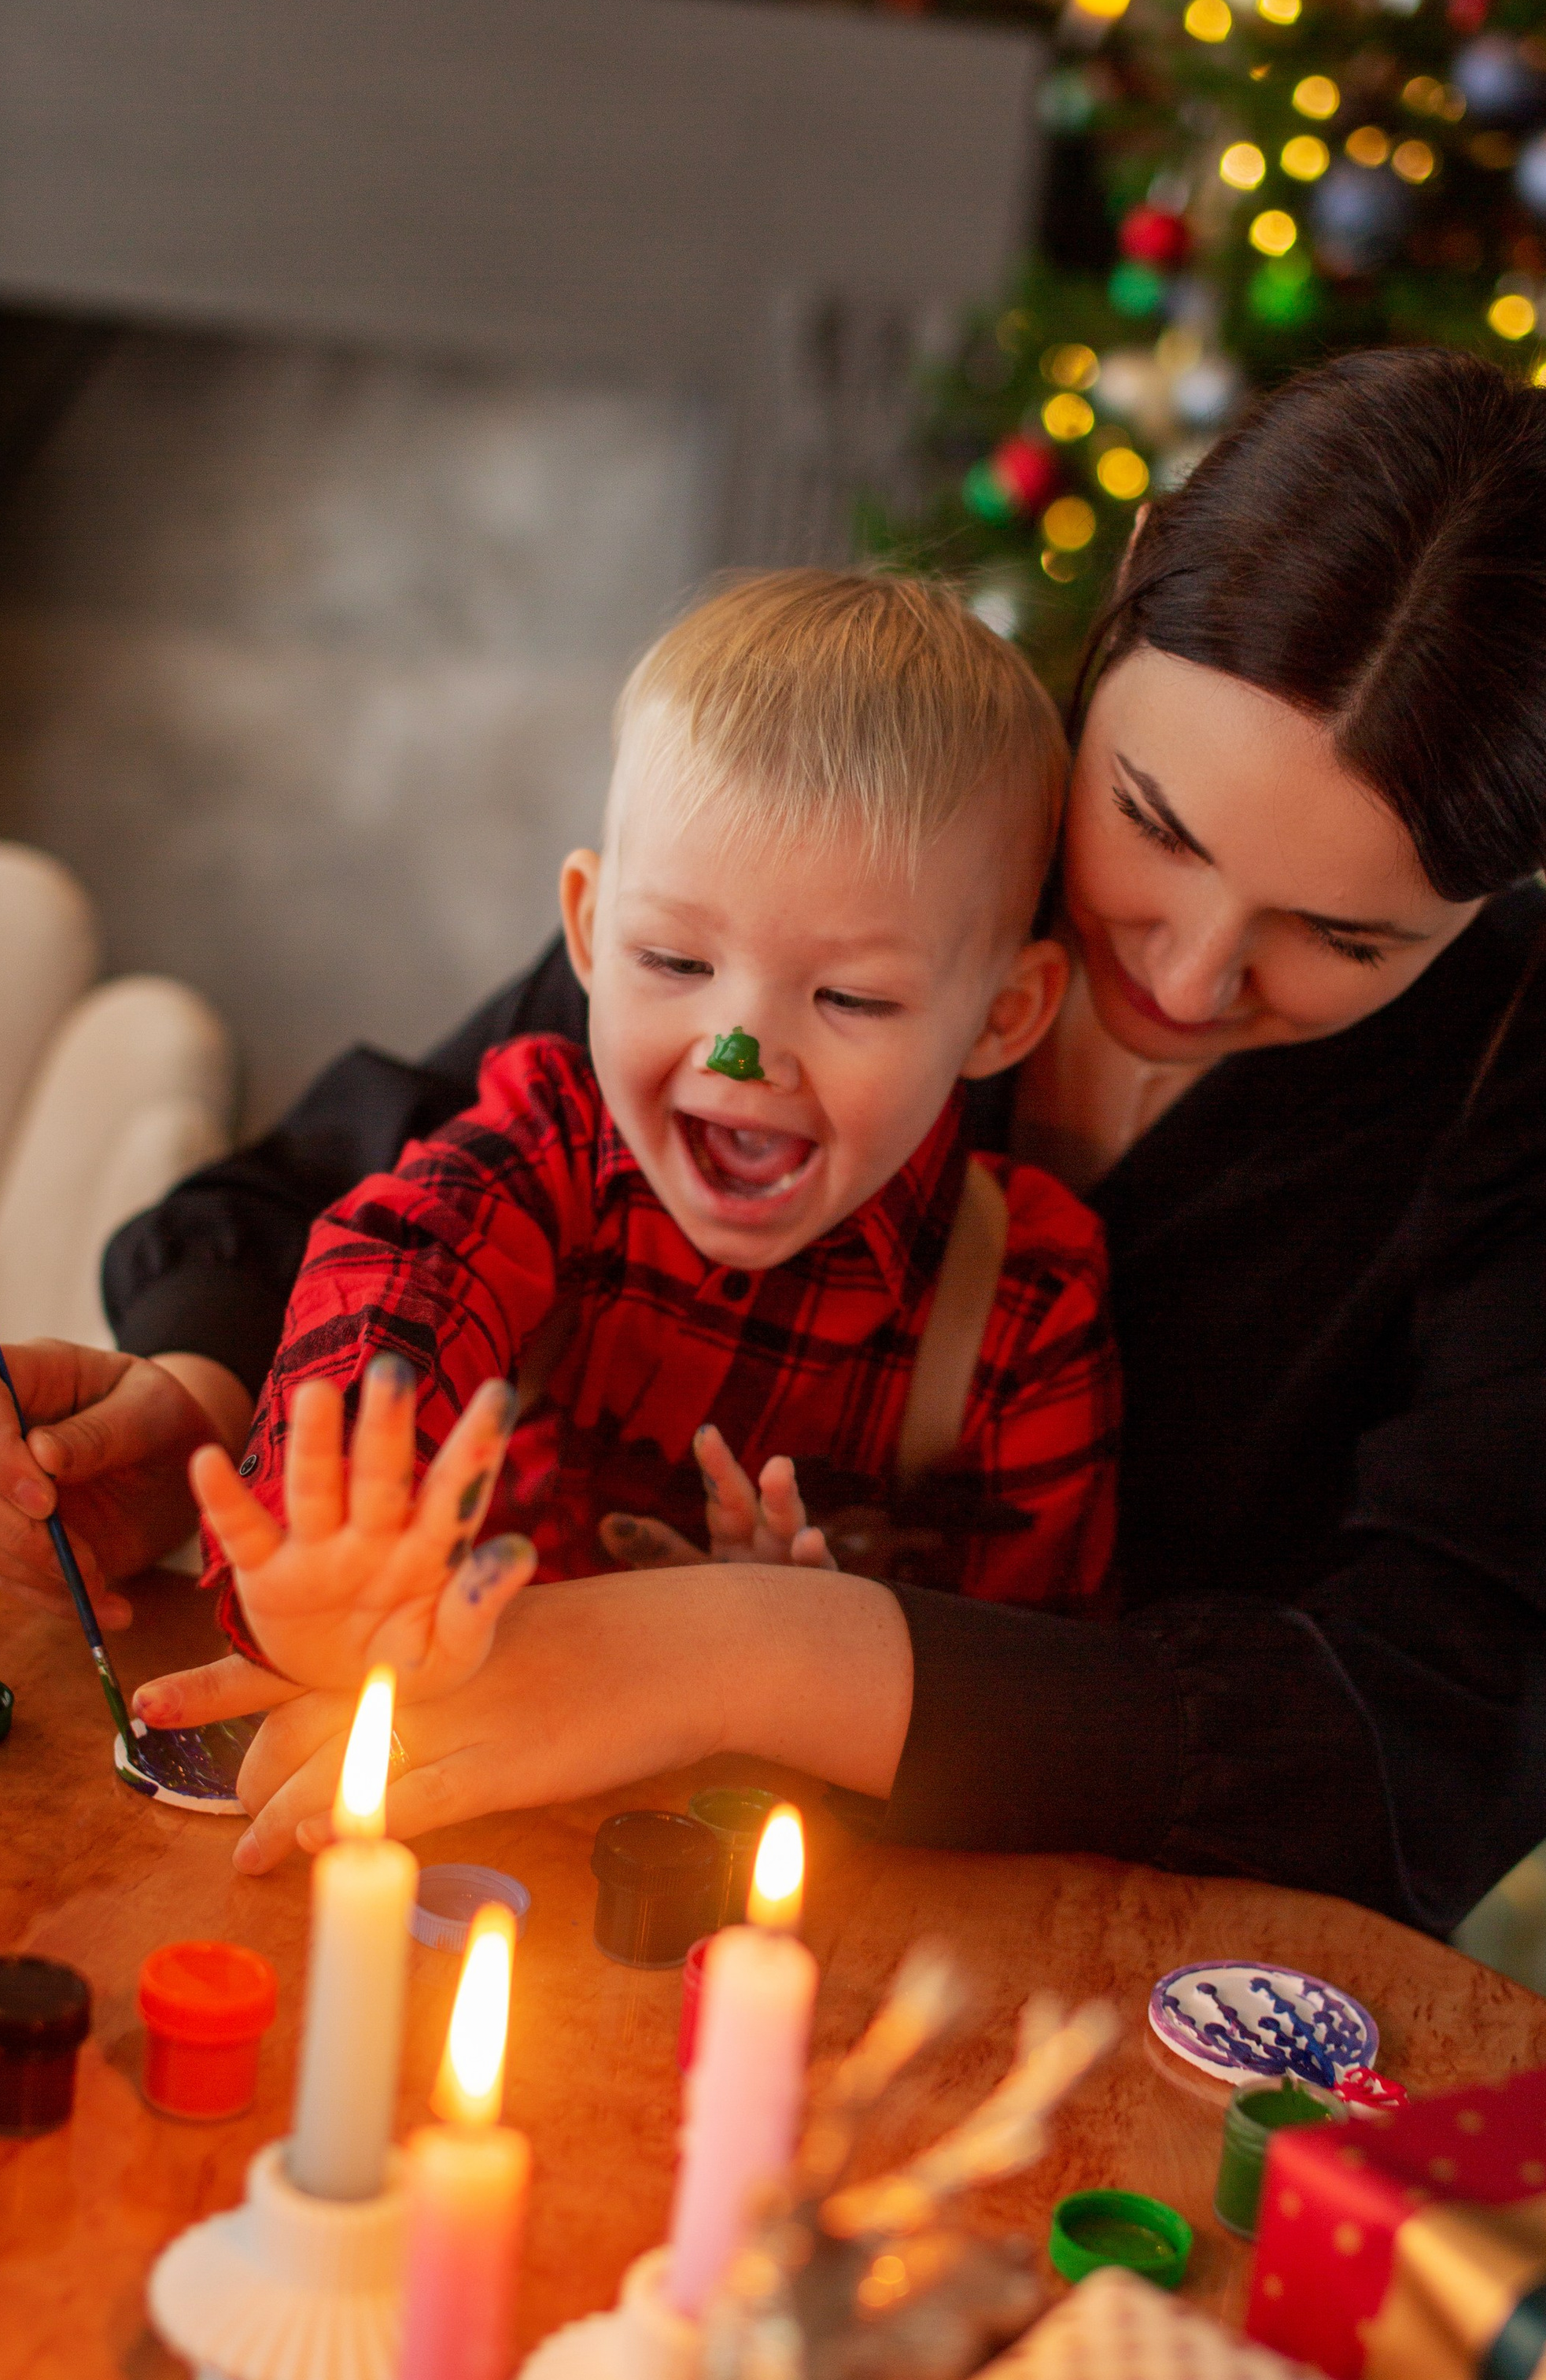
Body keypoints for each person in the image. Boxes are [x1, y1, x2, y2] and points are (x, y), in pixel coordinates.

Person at [0, 350, 1546, 1933]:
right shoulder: (906, 811)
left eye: (1344, 940)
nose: (1179, 970)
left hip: (1069, 1955)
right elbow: (375, 1174)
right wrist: (213, 1414)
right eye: (1151, 826)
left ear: (1501, 888)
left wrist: (751, 1649)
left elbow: (1449, 1730)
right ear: (1124, 597)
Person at [194, 570, 1119, 1705]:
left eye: (852, 1000)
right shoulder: (547, 1151)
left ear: (1004, 1015)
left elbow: (1030, 1707)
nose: (739, 1055)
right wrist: (323, 1545)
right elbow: (396, 1283)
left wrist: (809, 1655)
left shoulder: (1024, 1311)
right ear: (587, 929)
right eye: (676, 964)